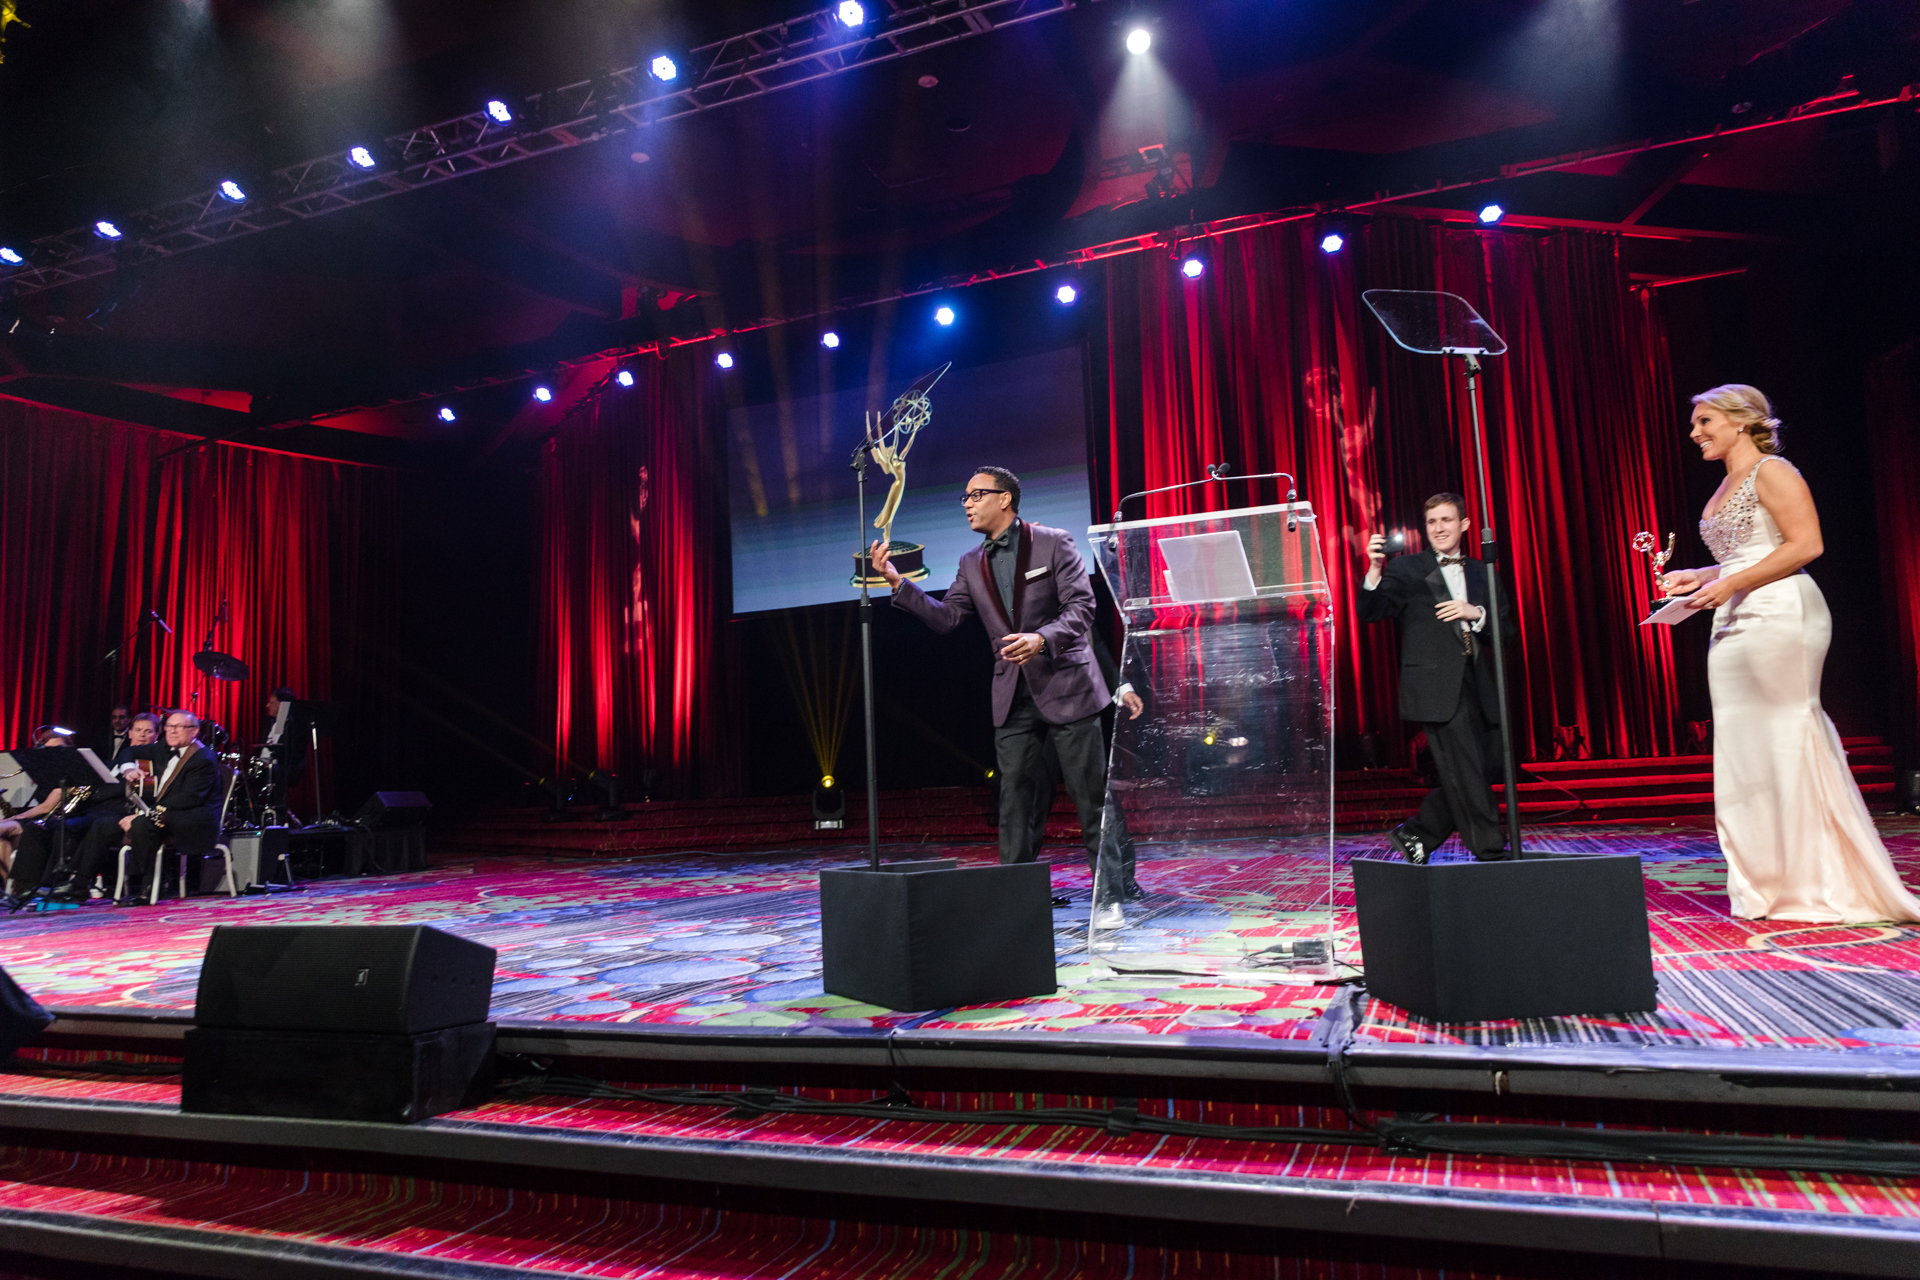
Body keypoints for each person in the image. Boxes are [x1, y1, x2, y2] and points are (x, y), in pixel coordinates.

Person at [1661, 385, 1920, 923]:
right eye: (1695, 423)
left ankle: (1816, 877)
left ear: (1740, 421)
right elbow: (1747, 553)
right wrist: (1702, 575)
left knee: (1786, 733)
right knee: (1744, 744)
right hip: (1733, 615)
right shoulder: (1725, 483)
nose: (1695, 432)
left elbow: (1805, 545)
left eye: (1705, 421)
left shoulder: (1773, 471)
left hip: (1780, 613)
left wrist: (1729, 583)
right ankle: (1768, 880)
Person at [870, 466, 1111, 888]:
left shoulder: (1054, 542)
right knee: (1013, 799)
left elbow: (1082, 608)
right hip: (1013, 693)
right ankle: (1013, 894)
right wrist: (897, 583)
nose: (967, 504)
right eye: (964, 497)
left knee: (1090, 797)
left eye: (976, 495)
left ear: (1004, 499)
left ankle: (1113, 891)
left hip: (1066, 684)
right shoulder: (971, 562)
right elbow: (947, 618)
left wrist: (1041, 638)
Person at [1357, 492, 1518, 863]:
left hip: (1480, 683)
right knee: (1467, 768)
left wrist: (1475, 613)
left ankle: (1418, 833)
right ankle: (1490, 850)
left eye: (1446, 520)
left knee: (1486, 765)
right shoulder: (1407, 568)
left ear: (1464, 524)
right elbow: (1373, 610)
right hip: (1436, 686)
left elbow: (1506, 630)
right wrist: (1375, 569)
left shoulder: (1483, 571)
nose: (1438, 528)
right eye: (1431, 522)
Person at [57, 711, 227, 906]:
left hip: (192, 818)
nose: (172, 731)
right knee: (103, 825)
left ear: (194, 731)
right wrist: (128, 768)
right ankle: (78, 884)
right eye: (169, 726)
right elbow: (129, 751)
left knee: (142, 823)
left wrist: (146, 813)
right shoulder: (164, 747)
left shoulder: (203, 758)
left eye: (179, 727)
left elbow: (188, 799)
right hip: (164, 812)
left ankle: (147, 889)